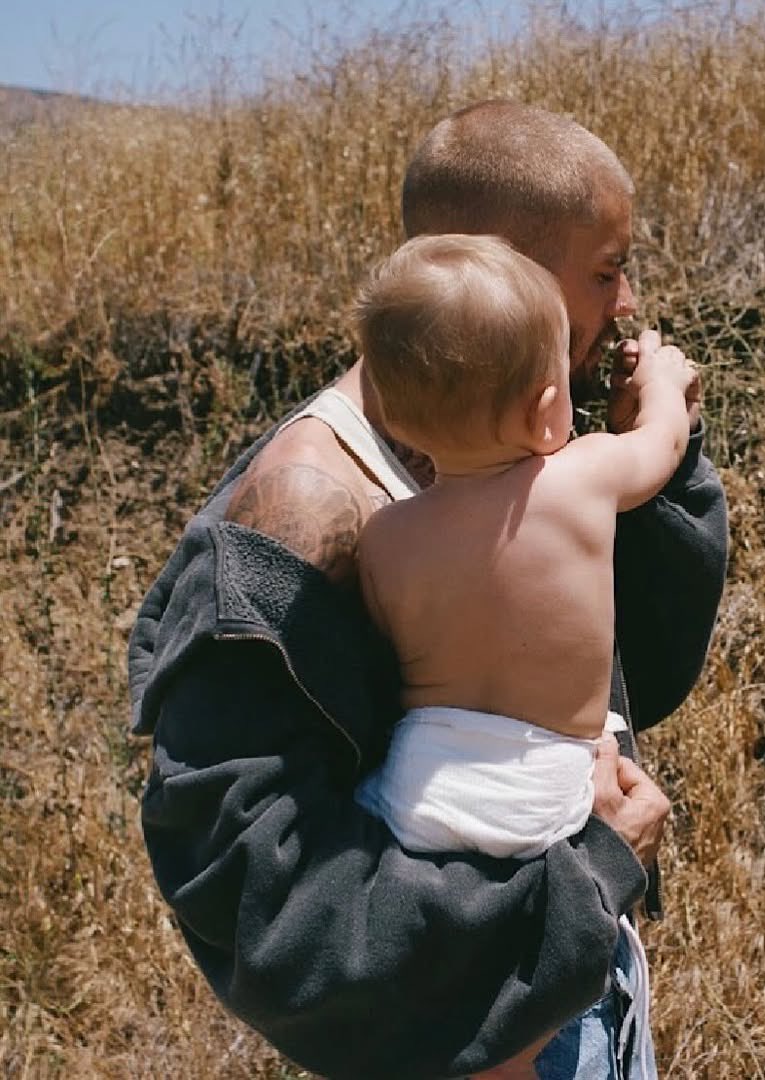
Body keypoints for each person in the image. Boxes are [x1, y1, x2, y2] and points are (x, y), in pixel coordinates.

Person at [128, 99, 729, 1079]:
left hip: (572, 983)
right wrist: (589, 877)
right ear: (499, 274)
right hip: (470, 1035)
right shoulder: (297, 517)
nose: (628, 305)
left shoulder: (503, 439)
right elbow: (270, 919)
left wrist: (650, 471)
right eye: (609, 270)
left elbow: (642, 674)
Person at [352, 233, 697, 1077]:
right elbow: (663, 446)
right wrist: (663, 385)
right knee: (550, 989)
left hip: (419, 793)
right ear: (551, 407)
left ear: (393, 418)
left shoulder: (383, 539)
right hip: (550, 788)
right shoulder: (581, 479)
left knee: (466, 1001)